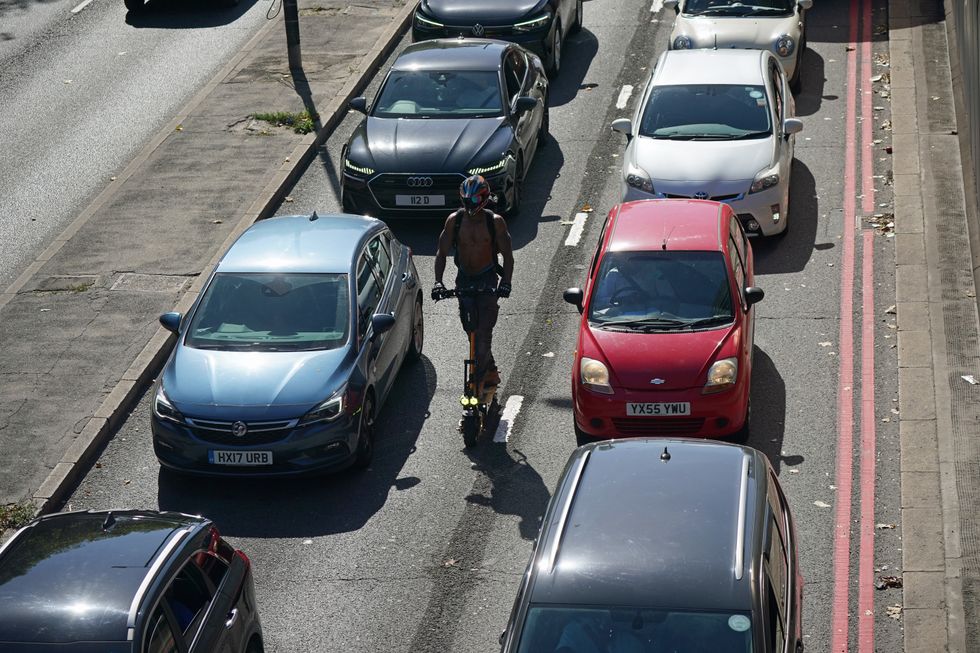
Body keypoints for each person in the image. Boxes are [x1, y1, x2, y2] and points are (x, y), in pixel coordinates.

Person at [432, 175, 515, 394]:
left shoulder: (495, 222)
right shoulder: (454, 221)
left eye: (475, 202)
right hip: (464, 280)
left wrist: (505, 283)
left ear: (485, 199)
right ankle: (490, 370)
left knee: (482, 336)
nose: (470, 207)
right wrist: (438, 282)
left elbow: (508, 256)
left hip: (487, 280)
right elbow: (441, 253)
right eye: (465, 201)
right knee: (471, 331)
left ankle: (476, 387)